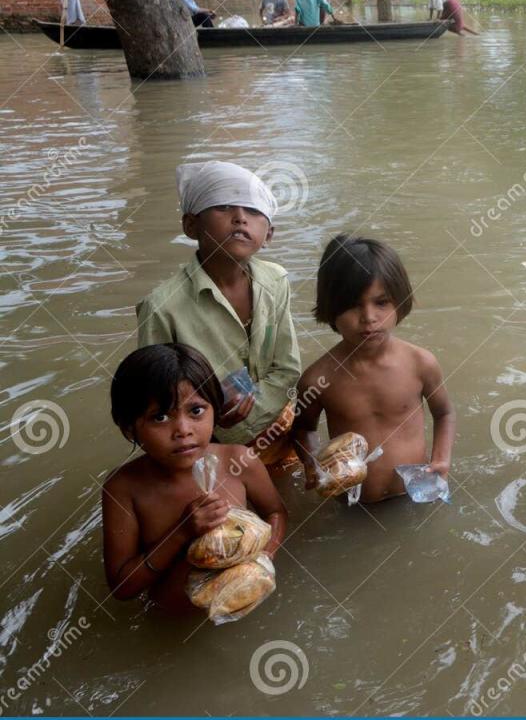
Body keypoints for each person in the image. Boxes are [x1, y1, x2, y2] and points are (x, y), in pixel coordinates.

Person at [136, 161, 301, 473]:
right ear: (190, 225)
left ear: (269, 234)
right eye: (223, 206)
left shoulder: (276, 281)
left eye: (253, 212)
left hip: (278, 427)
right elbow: (156, 401)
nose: (240, 218)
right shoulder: (161, 307)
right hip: (204, 445)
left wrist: (255, 409)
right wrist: (209, 414)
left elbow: (287, 367)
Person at [102, 343, 286, 611]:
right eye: (160, 417)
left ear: (216, 409)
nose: (183, 430)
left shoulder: (239, 460)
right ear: (130, 429)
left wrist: (262, 561)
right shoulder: (123, 488)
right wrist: (182, 532)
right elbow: (122, 587)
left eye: (196, 410)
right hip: (171, 622)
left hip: (243, 600)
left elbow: (277, 513)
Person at [293, 235, 456, 504]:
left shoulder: (420, 363)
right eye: (354, 305)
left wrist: (441, 459)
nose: (369, 317)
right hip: (352, 501)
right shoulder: (318, 379)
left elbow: (445, 412)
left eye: (381, 302)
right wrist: (314, 465)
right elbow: (302, 429)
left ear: (399, 303)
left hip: (414, 493)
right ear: (331, 308)